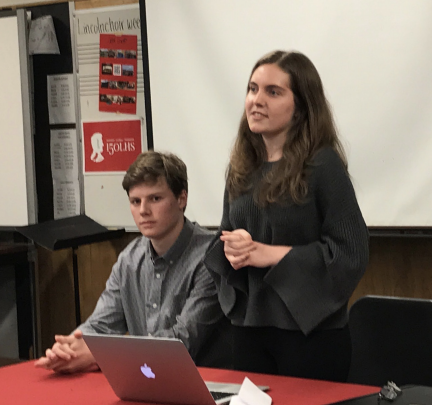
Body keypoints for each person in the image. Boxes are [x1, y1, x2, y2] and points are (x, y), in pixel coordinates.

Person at [204, 50, 369, 382]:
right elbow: (227, 240)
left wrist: (270, 255)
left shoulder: (323, 166)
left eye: (273, 92)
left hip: (309, 334)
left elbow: (350, 253)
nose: (256, 101)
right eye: (252, 89)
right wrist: (233, 248)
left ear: (301, 107)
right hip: (249, 329)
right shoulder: (241, 168)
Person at [35, 151, 225, 374]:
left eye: (155, 198)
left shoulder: (210, 256)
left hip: (204, 384)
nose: (143, 210)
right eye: (135, 201)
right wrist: (69, 348)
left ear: (181, 199)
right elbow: (100, 325)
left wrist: (99, 354)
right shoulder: (129, 258)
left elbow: (182, 342)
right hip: (145, 379)